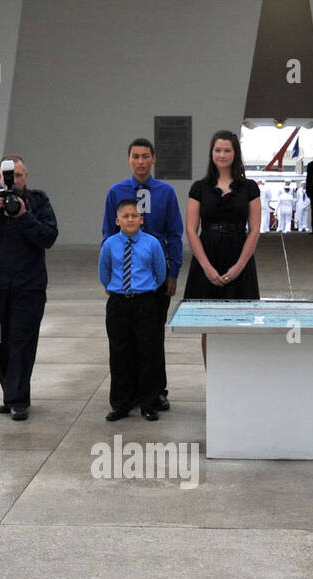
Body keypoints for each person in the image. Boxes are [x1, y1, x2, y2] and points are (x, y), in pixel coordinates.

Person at [0, 154, 59, 421]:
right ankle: (12, 392)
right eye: (9, 176)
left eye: (18, 175)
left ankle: (17, 400)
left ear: (26, 176)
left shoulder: (38, 200)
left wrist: (24, 215)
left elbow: (48, 237)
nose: (13, 181)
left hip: (29, 289)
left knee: (21, 343)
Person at [102, 138, 183, 411]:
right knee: (123, 342)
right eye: (135, 156)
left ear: (153, 159)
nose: (140, 161)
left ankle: (155, 391)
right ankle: (128, 394)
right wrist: (113, 276)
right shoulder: (116, 192)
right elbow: (107, 234)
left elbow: (174, 234)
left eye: (145, 156)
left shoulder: (166, 192)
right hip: (124, 282)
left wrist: (173, 273)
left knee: (152, 339)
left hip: (155, 279)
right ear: (128, 160)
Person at [100, 198, 167, 421]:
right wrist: (116, 289)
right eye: (125, 216)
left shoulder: (152, 243)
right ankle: (121, 403)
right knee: (119, 353)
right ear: (117, 220)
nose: (130, 219)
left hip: (145, 302)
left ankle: (148, 402)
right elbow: (104, 273)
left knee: (148, 352)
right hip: (119, 303)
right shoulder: (109, 244)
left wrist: (144, 290)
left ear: (141, 219)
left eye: (134, 216)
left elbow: (160, 273)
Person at [183, 129, 261, 303]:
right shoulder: (199, 188)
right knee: (203, 311)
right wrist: (206, 266)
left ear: (236, 153)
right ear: (211, 153)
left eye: (227, 150)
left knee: (240, 313)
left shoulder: (250, 188)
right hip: (207, 252)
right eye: (217, 150)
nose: (222, 155)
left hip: (238, 252)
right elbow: (191, 229)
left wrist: (239, 267)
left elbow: (255, 230)